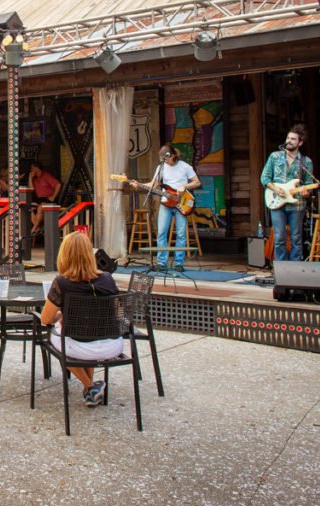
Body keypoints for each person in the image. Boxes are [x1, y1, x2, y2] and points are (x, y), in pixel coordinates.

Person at [39, 231, 123, 407]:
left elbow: (46, 319)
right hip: (113, 345)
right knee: (84, 331)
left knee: (57, 337)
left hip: (81, 347)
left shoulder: (62, 282)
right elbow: (117, 314)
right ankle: (90, 392)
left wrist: (61, 314)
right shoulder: (107, 278)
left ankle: (90, 386)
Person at [130, 144, 201, 271]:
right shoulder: (161, 167)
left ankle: (179, 262)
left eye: (166, 158)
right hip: (166, 203)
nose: (164, 160)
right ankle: (162, 262)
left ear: (173, 155)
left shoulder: (185, 167)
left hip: (182, 203)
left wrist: (184, 187)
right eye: (162, 158)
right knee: (161, 233)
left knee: (180, 233)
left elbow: (197, 182)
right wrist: (139, 185)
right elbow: (154, 184)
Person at [260, 125, 313, 262]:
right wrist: (275, 189)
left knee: (296, 237)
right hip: (277, 202)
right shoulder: (275, 156)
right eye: (288, 138)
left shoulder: (305, 162)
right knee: (279, 237)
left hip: (297, 204)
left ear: (300, 142)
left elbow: (308, 183)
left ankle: (294, 268)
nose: (289, 141)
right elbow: (264, 178)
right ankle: (281, 268)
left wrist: (307, 192)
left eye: (293, 139)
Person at [29, 163, 62, 234]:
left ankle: (35, 228)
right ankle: (37, 227)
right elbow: (31, 189)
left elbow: (58, 184)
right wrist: (30, 178)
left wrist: (53, 196)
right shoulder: (35, 179)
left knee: (41, 207)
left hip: (48, 199)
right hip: (39, 200)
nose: (31, 170)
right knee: (28, 207)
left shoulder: (46, 176)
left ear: (37, 168)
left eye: (32, 168)